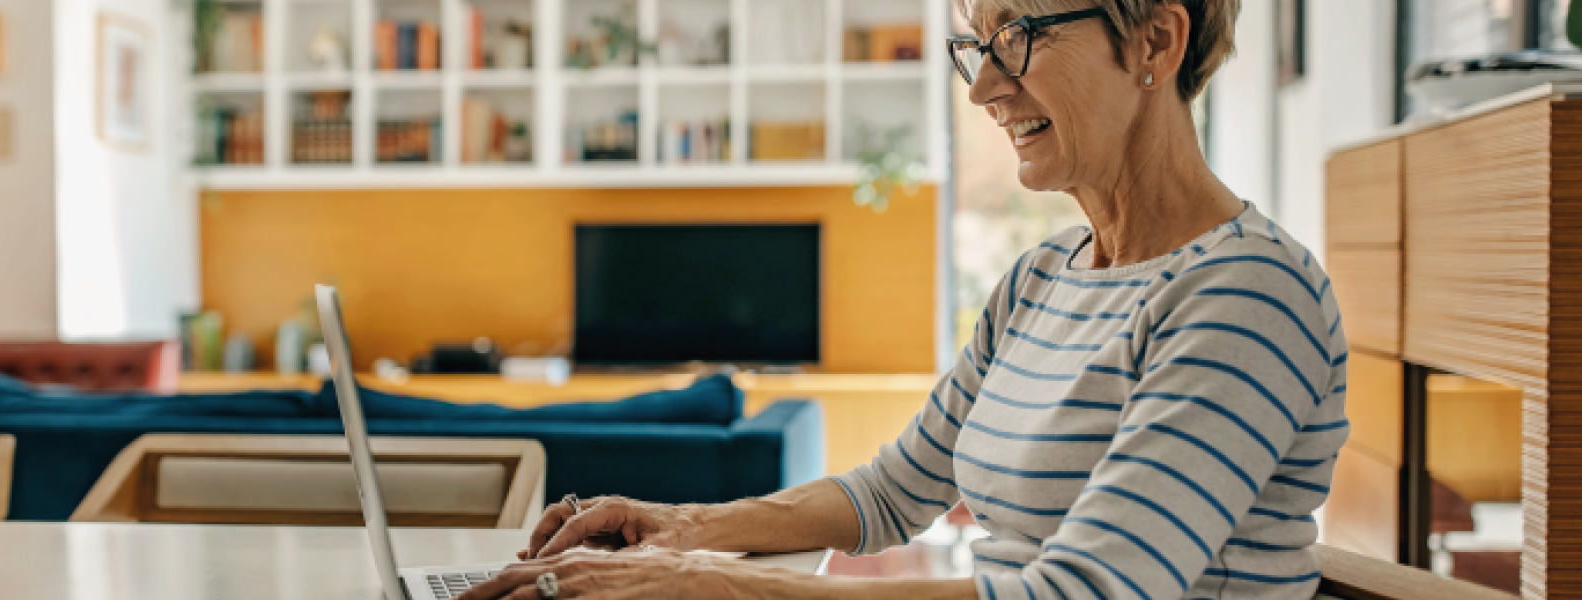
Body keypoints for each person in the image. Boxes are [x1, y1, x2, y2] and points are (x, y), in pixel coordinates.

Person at [460, 0, 1346, 597]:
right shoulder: (1041, 280)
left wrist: (709, 584)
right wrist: (679, 529)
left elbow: (1083, 593)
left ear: (1155, 39)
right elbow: (889, 493)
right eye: (979, 43)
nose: (985, 86)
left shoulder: (1247, 296)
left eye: (1019, 34)